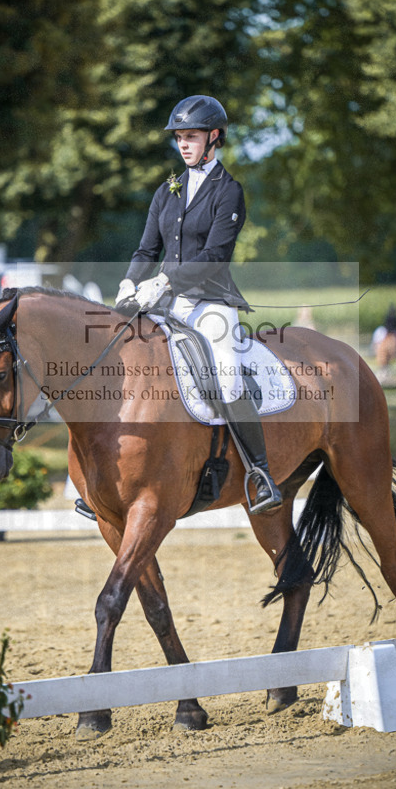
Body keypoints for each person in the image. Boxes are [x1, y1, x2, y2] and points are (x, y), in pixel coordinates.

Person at [114, 94, 281, 514]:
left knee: (226, 375)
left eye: (191, 137)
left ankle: (260, 473)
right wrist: (128, 284)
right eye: (179, 138)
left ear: (214, 137)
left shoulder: (229, 192)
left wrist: (166, 280)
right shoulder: (167, 190)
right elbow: (145, 249)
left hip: (210, 301)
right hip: (162, 301)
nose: (183, 145)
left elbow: (214, 257)